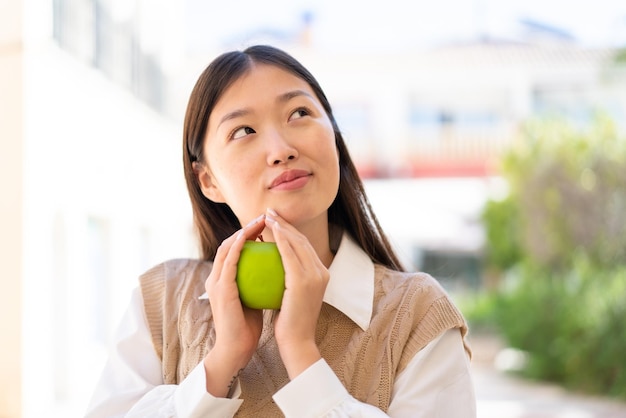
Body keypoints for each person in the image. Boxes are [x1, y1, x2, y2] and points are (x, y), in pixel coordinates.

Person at [85, 44, 476, 417]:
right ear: (208, 181)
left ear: (335, 139)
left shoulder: (417, 315)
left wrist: (302, 355)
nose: (280, 148)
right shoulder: (163, 302)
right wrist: (221, 363)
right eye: (243, 131)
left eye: (299, 114)